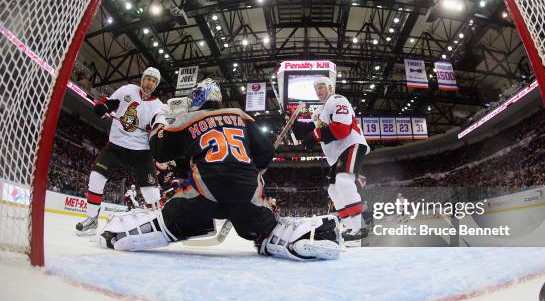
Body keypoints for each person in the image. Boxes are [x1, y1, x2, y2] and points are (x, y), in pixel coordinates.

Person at [98, 78, 341, 261]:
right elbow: (266, 153)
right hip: (247, 191)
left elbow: (159, 151)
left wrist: (162, 121)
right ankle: (304, 236)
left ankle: (120, 234)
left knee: (170, 220)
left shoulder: (189, 118)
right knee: (266, 229)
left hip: (203, 191)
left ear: (198, 98)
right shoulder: (241, 116)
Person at [75, 67, 165, 236]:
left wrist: (157, 129)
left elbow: (159, 125)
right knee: (96, 177)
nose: (149, 83)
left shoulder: (158, 106)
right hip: (116, 145)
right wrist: (101, 107)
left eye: (153, 81)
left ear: (156, 85)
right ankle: (92, 219)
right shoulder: (127, 90)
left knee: (152, 193)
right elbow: (107, 103)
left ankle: (159, 226)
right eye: (148, 79)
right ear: (142, 79)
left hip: (141, 152)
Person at [292, 76, 370, 241]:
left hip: (351, 145)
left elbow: (342, 128)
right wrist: (293, 123)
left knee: (343, 181)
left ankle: (360, 227)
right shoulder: (319, 112)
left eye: (321, 87)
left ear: (330, 87)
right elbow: (309, 130)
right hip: (337, 154)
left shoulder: (337, 100)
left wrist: (313, 136)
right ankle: (351, 229)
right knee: (333, 190)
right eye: (316, 89)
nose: (318, 91)